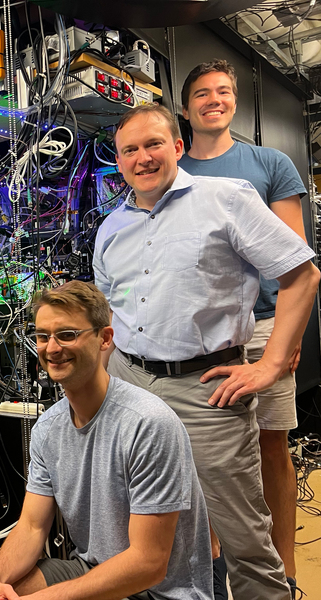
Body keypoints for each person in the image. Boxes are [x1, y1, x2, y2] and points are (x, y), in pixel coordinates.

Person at [94, 103, 320, 600]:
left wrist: (271, 365)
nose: (143, 157)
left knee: (244, 538)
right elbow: (110, 314)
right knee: (149, 526)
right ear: (119, 160)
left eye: (154, 144)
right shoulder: (110, 229)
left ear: (178, 146)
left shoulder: (225, 199)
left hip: (206, 390)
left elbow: (301, 276)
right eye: (130, 150)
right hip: (131, 386)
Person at [0, 281, 213, 600]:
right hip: (90, 568)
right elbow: (31, 527)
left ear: (104, 339)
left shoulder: (147, 423)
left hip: (158, 591)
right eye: (43, 336)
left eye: (67, 335)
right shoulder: (48, 428)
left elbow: (149, 563)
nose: (52, 348)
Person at [178, 59, 307, 598]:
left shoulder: (269, 163)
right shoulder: (172, 171)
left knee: (271, 446)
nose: (215, 99)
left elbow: (295, 259)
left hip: (261, 327)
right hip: (202, 338)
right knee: (203, 460)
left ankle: (285, 572)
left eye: (224, 91)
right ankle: (210, 570)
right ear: (185, 108)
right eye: (203, 93)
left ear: (235, 100)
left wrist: (288, 340)